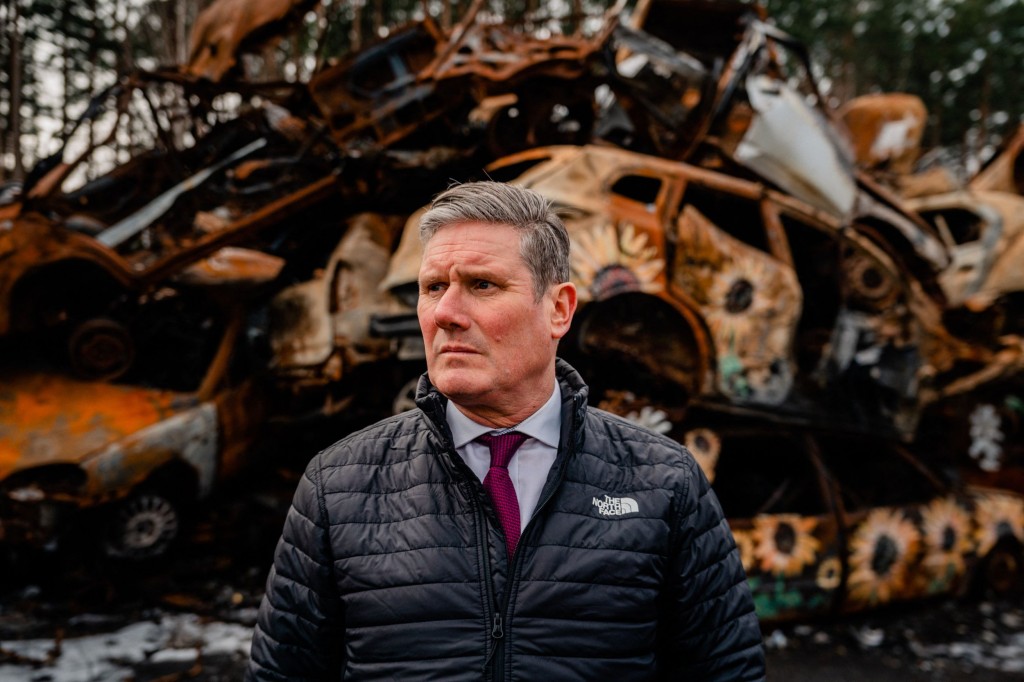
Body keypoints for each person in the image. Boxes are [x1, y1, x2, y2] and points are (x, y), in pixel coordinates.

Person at [246, 181, 765, 681]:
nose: (445, 313)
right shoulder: (338, 487)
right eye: (432, 288)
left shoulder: (662, 483)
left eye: (482, 285)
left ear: (558, 309)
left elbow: (725, 671)